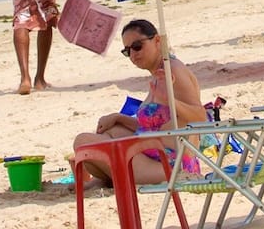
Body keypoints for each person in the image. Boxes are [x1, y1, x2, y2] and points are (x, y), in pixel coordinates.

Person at [72, 19, 205, 188]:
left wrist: (171, 101)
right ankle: (110, 178)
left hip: (171, 164)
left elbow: (200, 118)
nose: (133, 55)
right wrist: (119, 117)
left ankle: (112, 177)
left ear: (157, 41)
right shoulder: (159, 72)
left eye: (137, 46)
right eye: (127, 51)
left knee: (84, 142)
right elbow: (156, 127)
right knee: (112, 131)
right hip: (153, 154)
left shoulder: (174, 71)